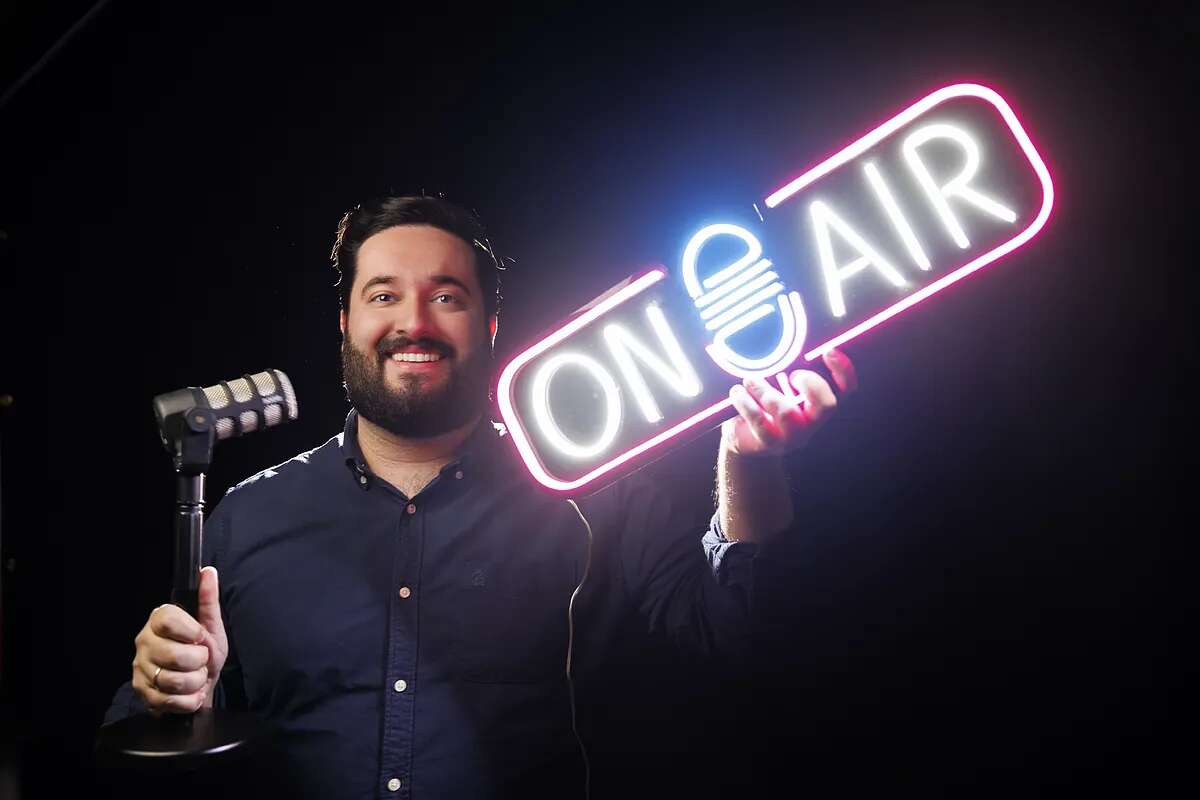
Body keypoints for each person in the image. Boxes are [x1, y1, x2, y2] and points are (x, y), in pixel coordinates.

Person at [103, 195, 857, 798]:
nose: (414, 322)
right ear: (345, 325)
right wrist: (167, 692)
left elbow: (740, 631)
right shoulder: (248, 515)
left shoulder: (590, 490)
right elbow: (155, 729)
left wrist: (748, 457)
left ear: (491, 326)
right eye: (383, 295)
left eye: (448, 296)